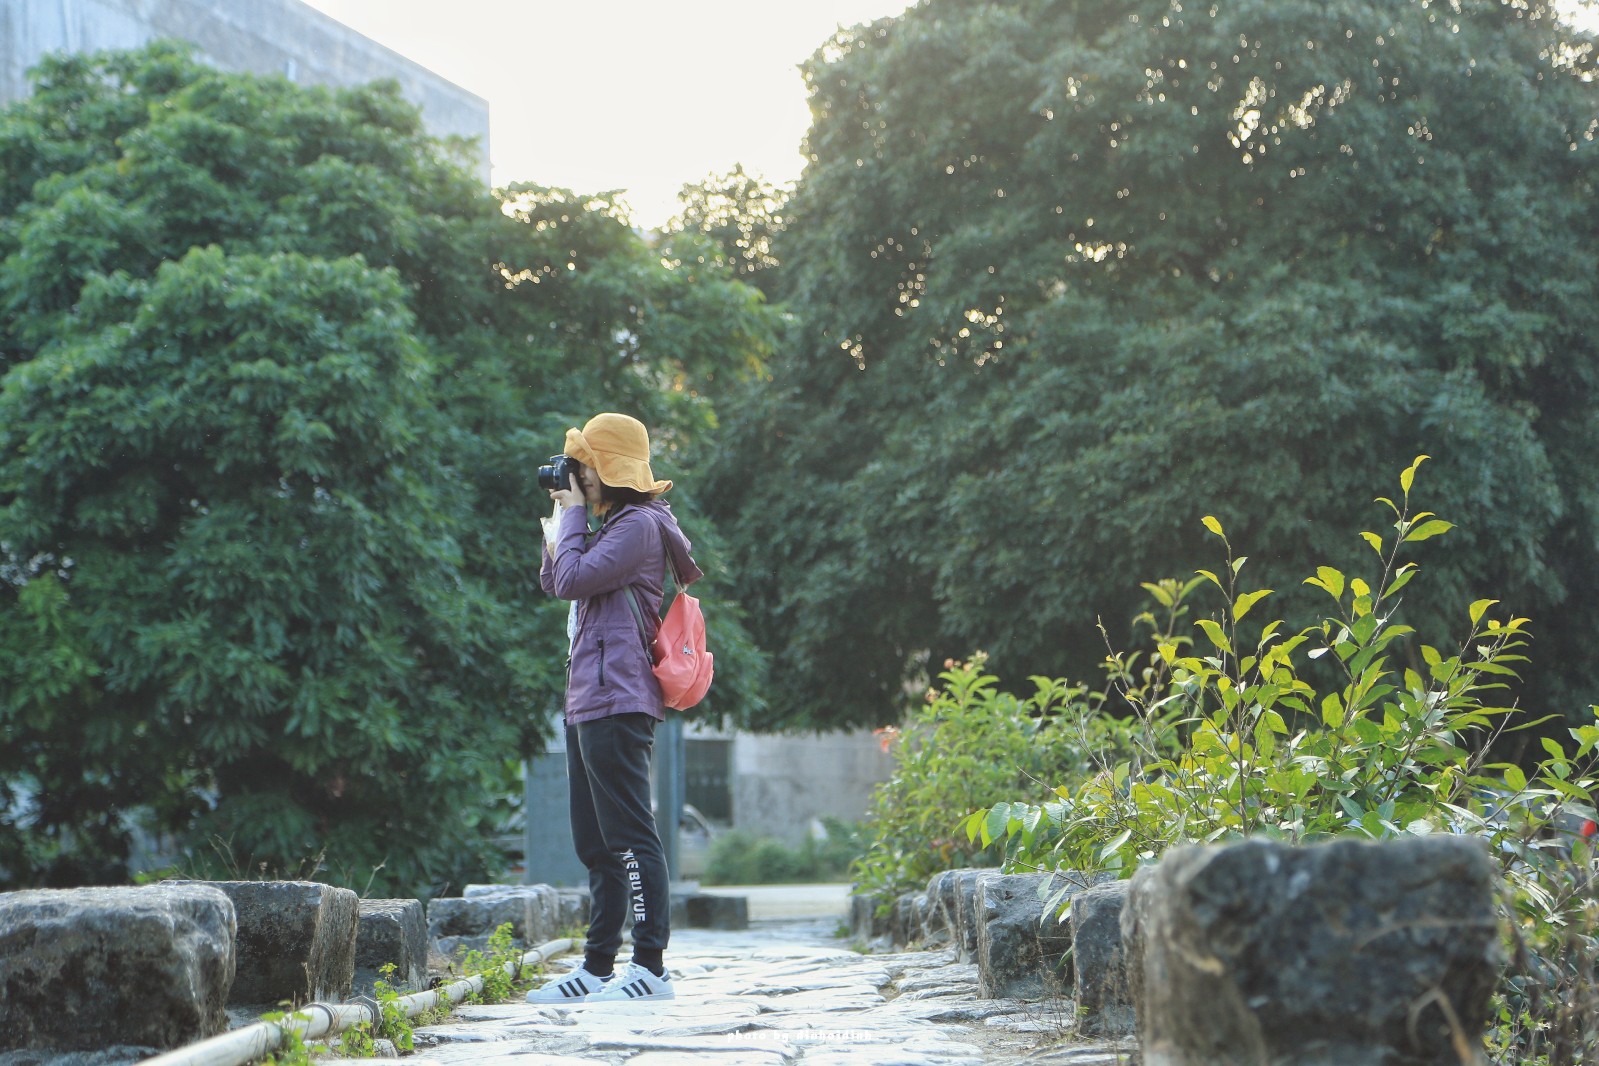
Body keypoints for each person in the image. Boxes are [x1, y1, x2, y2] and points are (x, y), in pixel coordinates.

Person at [525, 412, 703, 1005]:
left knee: (630, 837)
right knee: (595, 843)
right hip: (588, 699)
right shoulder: (610, 527)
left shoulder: (639, 527)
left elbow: (573, 578)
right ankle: (598, 967)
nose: (576, 476)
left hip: (619, 696)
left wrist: (574, 516)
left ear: (606, 469)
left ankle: (650, 966)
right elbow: (555, 581)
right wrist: (562, 516)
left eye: (582, 467)